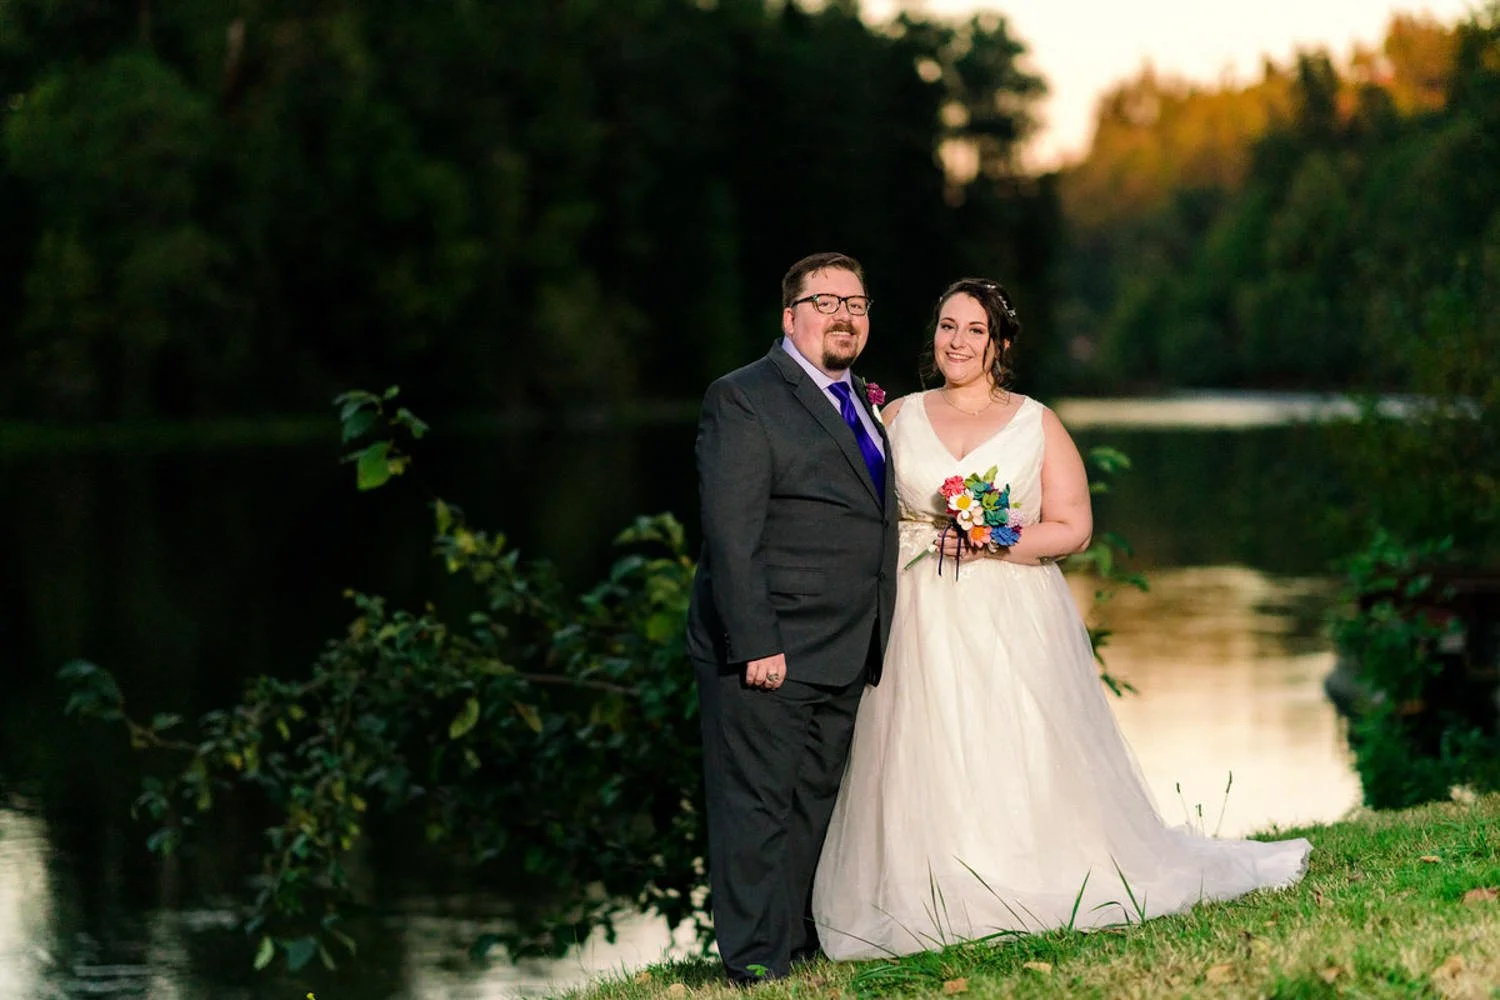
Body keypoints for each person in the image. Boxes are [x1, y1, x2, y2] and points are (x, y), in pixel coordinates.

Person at [810, 278, 1311, 959]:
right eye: (947, 326)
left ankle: (1026, 871)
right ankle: (927, 886)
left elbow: (1073, 527)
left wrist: (998, 538)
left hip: (1009, 608)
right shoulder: (897, 416)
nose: (957, 341)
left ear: (1000, 344)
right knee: (919, 741)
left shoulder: (1034, 422)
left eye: (975, 330)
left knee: (1009, 740)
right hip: (917, 609)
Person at [685, 251, 900, 982]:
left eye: (857, 303)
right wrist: (755, 643)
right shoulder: (744, 397)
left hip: (843, 647)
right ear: (790, 317)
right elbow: (731, 533)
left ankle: (795, 947)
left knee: (811, 805)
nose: (845, 315)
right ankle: (752, 965)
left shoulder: (862, 402)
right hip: (770, 649)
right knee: (756, 814)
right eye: (827, 301)